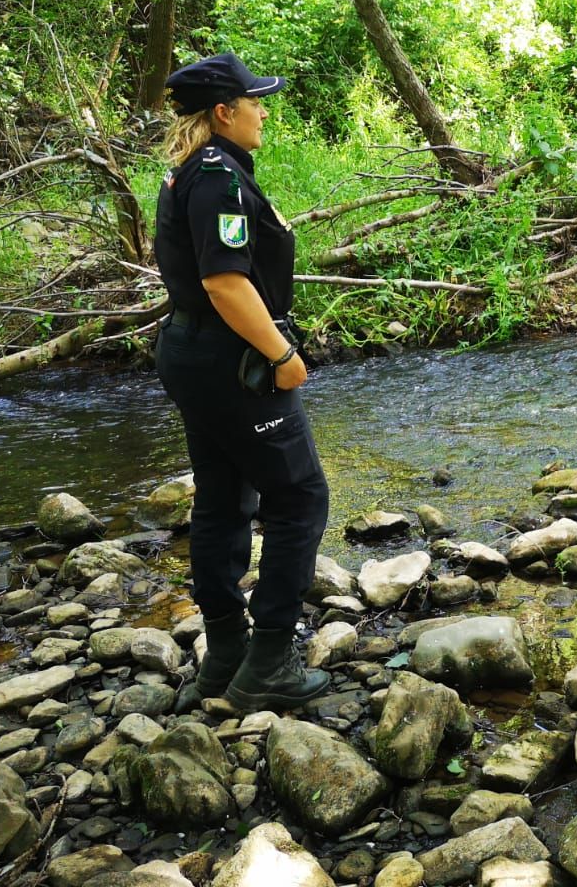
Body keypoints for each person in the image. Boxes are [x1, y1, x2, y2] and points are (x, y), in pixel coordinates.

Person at [153, 52, 330, 711]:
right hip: (231, 359)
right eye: (255, 100)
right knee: (301, 498)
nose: (263, 110)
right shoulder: (218, 179)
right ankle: (268, 665)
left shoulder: (190, 173)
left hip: (193, 354)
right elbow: (225, 282)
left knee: (223, 498)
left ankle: (225, 654)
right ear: (223, 112)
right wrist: (282, 353)